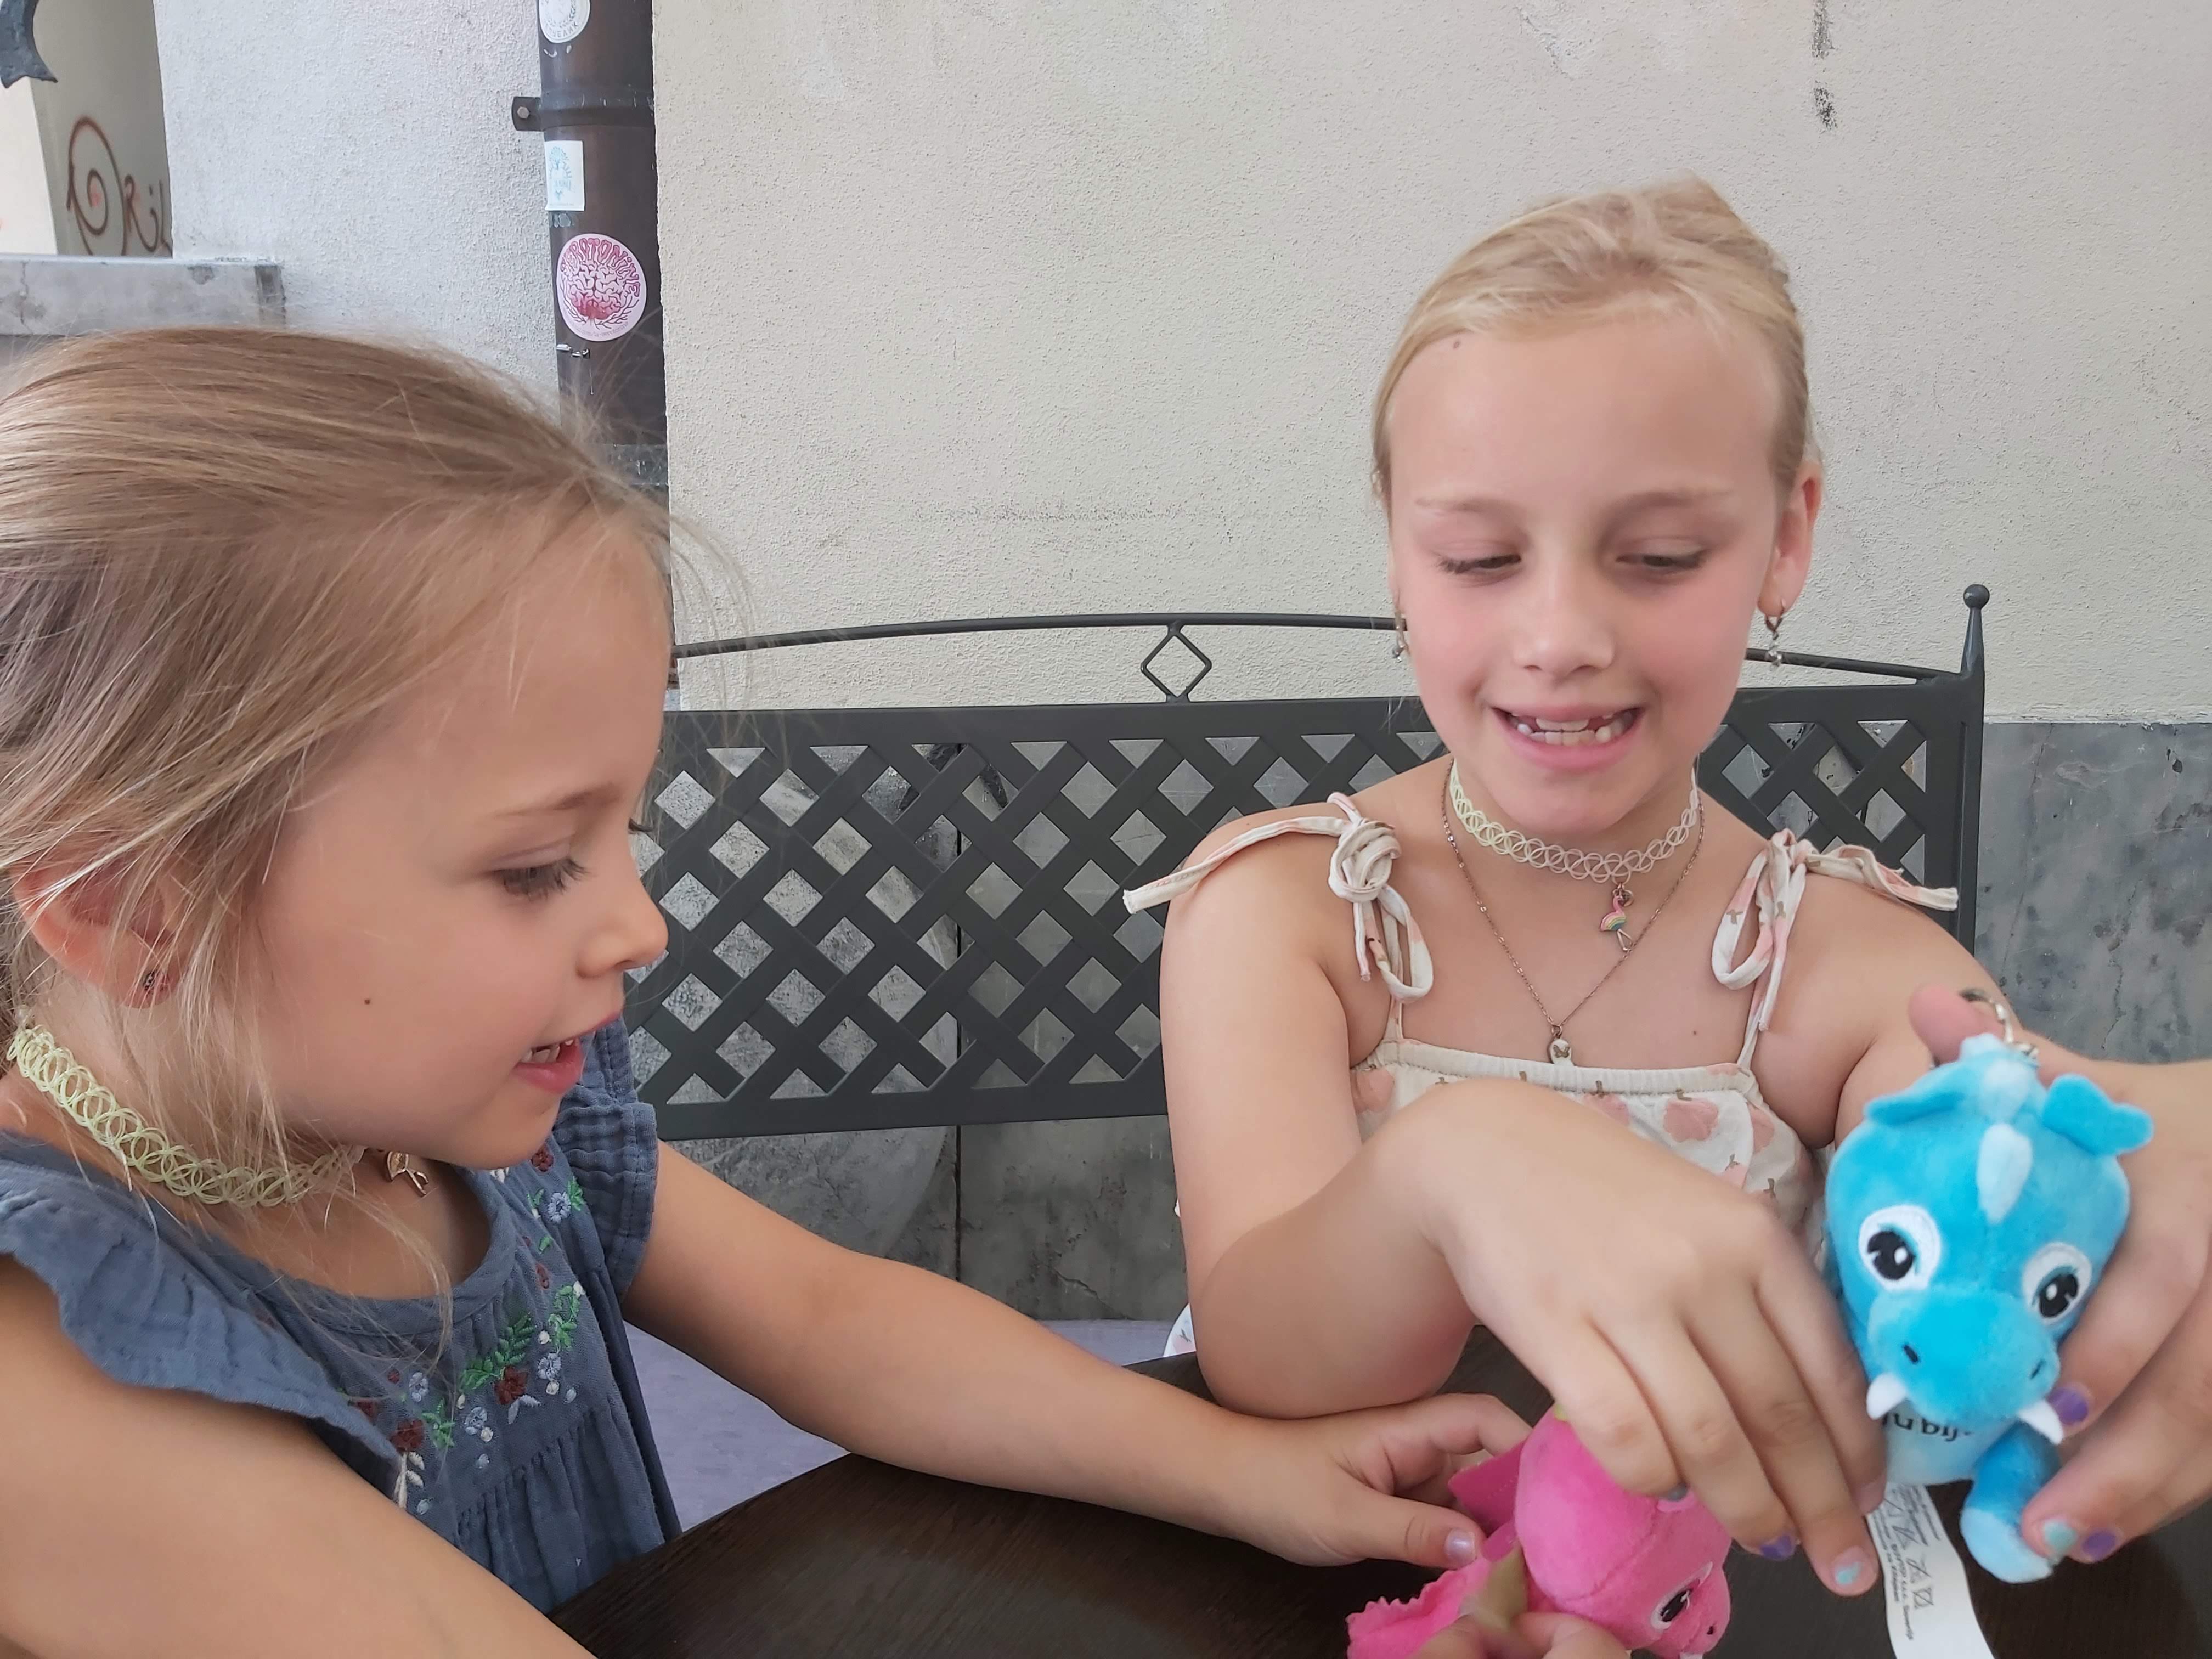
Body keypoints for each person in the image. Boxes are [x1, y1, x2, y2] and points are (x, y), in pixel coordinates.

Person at [0, 328, 1583, 1657]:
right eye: (537, 867)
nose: (640, 927)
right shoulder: (46, 1362)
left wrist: (1241, 1475)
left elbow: (834, 1321)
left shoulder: (462, 1130)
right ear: (136, 906)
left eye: (627, 833)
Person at [1136, 178, 2212, 1600]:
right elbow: (1269, 1360)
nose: (1561, 635)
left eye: (1657, 558)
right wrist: (1451, 1167)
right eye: (1479, 558)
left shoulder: (1842, 961)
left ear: (1787, 537)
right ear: (1397, 548)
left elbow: (1995, 1227)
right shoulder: (1294, 914)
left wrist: (2085, 1196)